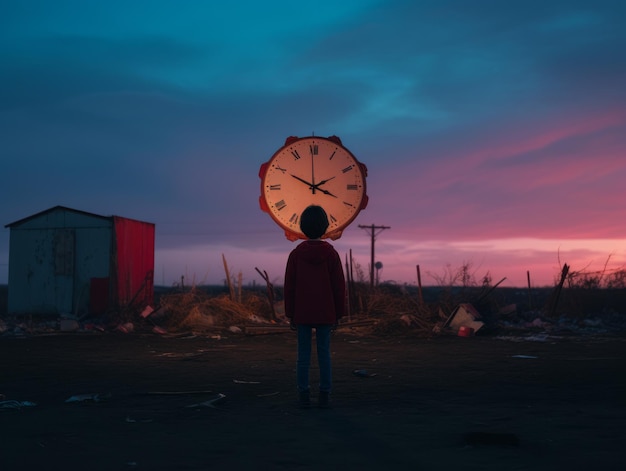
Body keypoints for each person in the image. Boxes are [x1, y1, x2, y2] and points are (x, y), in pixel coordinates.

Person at [284, 205, 346, 409]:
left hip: (302, 312)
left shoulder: (295, 255)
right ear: (325, 227)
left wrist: (290, 314)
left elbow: (290, 287)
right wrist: (339, 314)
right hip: (326, 312)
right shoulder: (331, 254)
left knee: (303, 356)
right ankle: (324, 394)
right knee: (324, 354)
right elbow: (339, 287)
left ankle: (303, 394)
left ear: (302, 227)